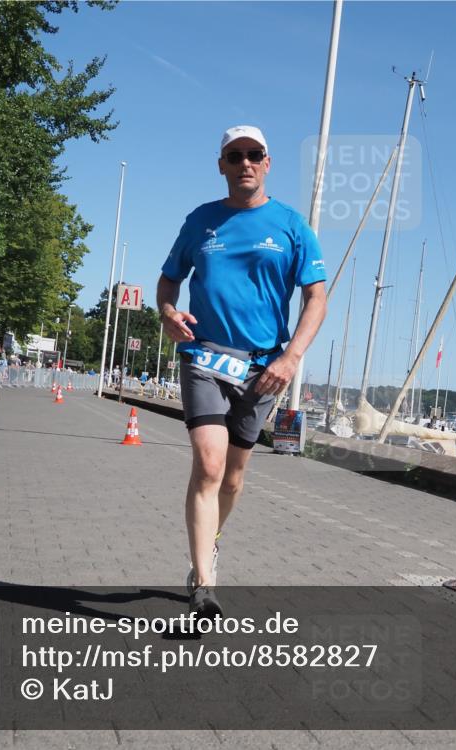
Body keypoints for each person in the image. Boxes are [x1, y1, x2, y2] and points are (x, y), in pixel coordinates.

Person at [157, 125, 327, 619]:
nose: (245, 163)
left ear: (268, 163)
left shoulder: (292, 225)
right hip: (204, 356)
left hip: (263, 369)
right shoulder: (201, 221)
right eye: (235, 156)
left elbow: (316, 297)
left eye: (254, 155)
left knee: (232, 479)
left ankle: (211, 541)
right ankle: (203, 586)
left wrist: (291, 357)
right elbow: (168, 282)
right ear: (222, 165)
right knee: (208, 465)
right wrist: (168, 314)